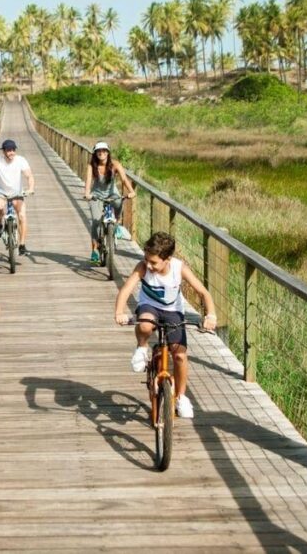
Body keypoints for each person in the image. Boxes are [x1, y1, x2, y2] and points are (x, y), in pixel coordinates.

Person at [113, 231, 217, 419]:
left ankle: (181, 397)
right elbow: (126, 289)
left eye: (153, 262)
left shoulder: (179, 268)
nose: (148, 265)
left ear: (167, 259)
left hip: (173, 311)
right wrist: (119, 312)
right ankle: (142, 348)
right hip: (149, 306)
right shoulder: (142, 267)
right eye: (146, 259)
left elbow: (203, 293)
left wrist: (211, 315)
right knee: (145, 324)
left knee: (180, 355)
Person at [82, 141, 136, 263]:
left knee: (118, 203)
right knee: (96, 221)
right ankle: (95, 250)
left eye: (104, 150)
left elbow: (124, 179)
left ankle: (116, 225)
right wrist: (87, 193)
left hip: (112, 194)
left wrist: (131, 191)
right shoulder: (92, 166)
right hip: (96, 195)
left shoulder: (115, 164)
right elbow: (88, 180)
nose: (101, 153)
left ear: (108, 152)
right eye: (98, 151)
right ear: (95, 153)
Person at [0, 139, 35, 255]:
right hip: (1, 191)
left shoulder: (21, 160)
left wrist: (31, 188)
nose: (11, 152)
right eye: (8, 150)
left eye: (13, 150)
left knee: (22, 216)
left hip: (17, 192)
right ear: (3, 151)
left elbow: (29, 175)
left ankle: (22, 245)